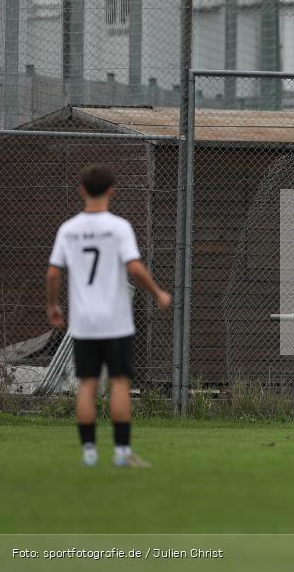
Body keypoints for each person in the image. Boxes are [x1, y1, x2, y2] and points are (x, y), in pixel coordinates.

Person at [46, 164, 171, 467]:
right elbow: (134, 268)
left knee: (87, 384)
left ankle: (89, 451)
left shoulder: (68, 229)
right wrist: (157, 293)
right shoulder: (119, 228)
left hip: (84, 322)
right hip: (115, 321)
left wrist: (53, 305)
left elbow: (53, 272)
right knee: (118, 383)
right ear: (112, 190)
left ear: (81, 191)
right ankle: (121, 452)